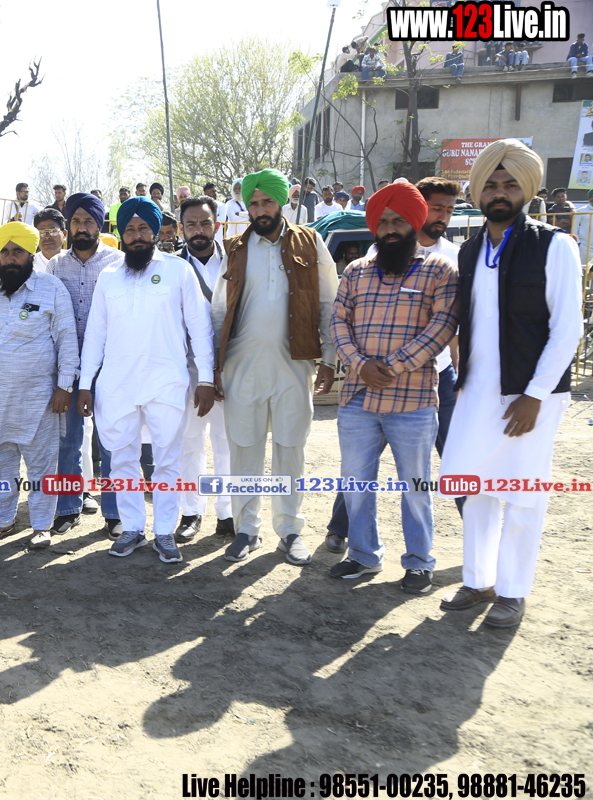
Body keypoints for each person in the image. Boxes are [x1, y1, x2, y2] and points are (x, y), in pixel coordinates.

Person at [439, 139, 582, 628]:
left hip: (530, 394)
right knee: (476, 485)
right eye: (491, 184)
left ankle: (513, 591)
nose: (500, 193)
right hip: (477, 389)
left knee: (523, 492)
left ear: (528, 190)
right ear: (478, 192)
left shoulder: (554, 245)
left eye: (510, 184)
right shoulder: (470, 249)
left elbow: (567, 329)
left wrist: (534, 395)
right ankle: (479, 580)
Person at [328, 183, 459, 593]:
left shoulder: (440, 270)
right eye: (383, 221)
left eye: (398, 220)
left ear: (414, 222)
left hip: (413, 400)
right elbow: (338, 323)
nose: (389, 228)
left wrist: (393, 366)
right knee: (356, 483)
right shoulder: (355, 272)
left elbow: (443, 326)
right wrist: (360, 364)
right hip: (358, 398)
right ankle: (363, 555)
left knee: (415, 486)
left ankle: (419, 562)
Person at [77, 196, 215, 564]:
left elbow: (200, 328)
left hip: (166, 381)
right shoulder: (109, 277)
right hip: (117, 384)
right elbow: (95, 334)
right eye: (129, 229)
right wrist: (85, 383)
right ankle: (133, 528)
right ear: (121, 234)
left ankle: (165, 532)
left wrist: (205, 379)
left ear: (154, 232)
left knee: (167, 459)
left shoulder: (178, 271)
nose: (136, 235)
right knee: (121, 459)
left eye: (143, 229)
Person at [212, 169, 338, 565]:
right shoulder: (234, 248)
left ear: (282, 202)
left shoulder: (310, 241)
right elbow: (219, 310)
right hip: (242, 365)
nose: (260, 209)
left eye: (267, 201)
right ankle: (246, 529)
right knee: (244, 449)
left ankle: (290, 530)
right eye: (254, 203)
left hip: (294, 364)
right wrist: (214, 366)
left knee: (290, 448)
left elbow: (328, 303)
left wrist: (330, 358)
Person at [0, 222, 78, 550]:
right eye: (5, 252)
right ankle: (2, 520)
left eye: (18, 252)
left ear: (30, 254)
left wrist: (65, 387)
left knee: (42, 464)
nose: (10, 258)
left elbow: (67, 339)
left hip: (38, 398)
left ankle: (42, 525)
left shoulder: (52, 288)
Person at [45, 192, 124, 536]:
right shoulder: (55, 265)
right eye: (75, 221)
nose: (81, 227)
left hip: (109, 366)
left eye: (88, 221)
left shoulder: (117, 262)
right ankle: (67, 508)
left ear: (99, 224)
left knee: (111, 440)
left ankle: (115, 513)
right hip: (68, 366)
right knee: (68, 439)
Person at [176, 196, 234, 541]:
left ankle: (228, 513)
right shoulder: (171, 268)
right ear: (181, 228)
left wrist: (224, 369)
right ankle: (191, 511)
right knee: (190, 443)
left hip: (230, 370)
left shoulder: (235, 263)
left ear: (217, 225)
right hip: (189, 372)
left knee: (227, 443)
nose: (198, 230)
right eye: (191, 224)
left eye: (205, 223)